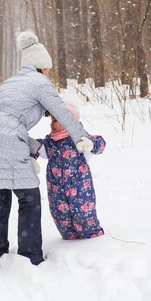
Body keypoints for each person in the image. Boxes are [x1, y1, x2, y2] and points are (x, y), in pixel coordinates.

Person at [0, 31, 95, 266]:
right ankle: (30, 255)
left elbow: (6, 122)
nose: (49, 73)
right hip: (5, 138)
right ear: (41, 67)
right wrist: (83, 139)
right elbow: (64, 114)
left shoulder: (9, 83)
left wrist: (33, 147)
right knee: (29, 199)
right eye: (48, 69)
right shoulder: (40, 83)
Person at [35, 101, 106, 240]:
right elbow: (38, 147)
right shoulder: (50, 141)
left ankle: (93, 240)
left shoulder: (78, 138)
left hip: (80, 189)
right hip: (57, 190)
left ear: (67, 121)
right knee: (61, 218)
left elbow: (100, 143)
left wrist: (91, 145)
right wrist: (32, 156)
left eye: (55, 120)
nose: (51, 124)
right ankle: (70, 243)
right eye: (51, 120)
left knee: (83, 215)